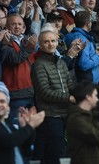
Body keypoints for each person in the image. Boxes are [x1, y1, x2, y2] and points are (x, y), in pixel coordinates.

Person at [31, 29, 76, 163]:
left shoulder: (61, 62)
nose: (50, 44)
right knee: (56, 153)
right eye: (46, 42)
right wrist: (68, 98)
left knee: (65, 152)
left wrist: (81, 95)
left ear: (57, 42)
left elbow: (70, 84)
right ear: (40, 45)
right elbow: (44, 92)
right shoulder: (38, 65)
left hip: (65, 113)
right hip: (51, 116)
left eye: (53, 41)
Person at [0, 82, 45, 164]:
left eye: (2, 101)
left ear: (8, 105)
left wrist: (27, 126)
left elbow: (26, 150)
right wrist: (30, 126)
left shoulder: (7, 123)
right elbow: (9, 141)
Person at [66, 81, 99, 164]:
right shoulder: (75, 119)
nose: (98, 99)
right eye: (95, 95)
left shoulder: (95, 115)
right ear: (88, 97)